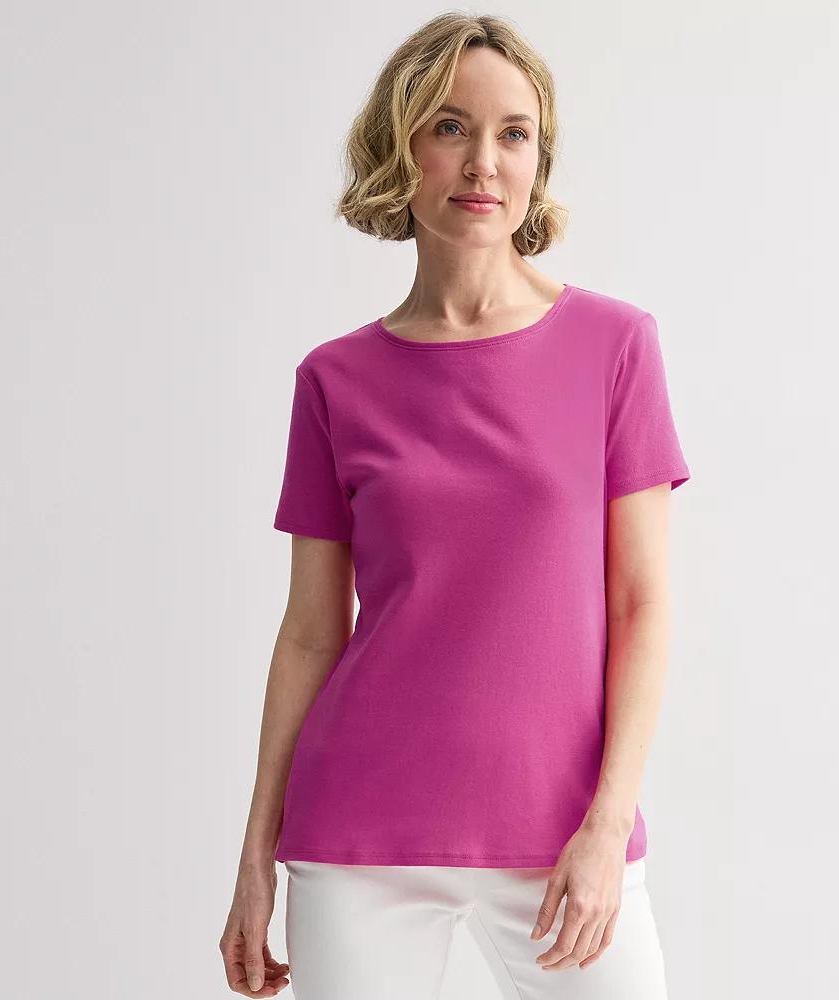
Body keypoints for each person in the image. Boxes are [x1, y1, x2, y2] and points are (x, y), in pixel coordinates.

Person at [219, 12, 691, 1000]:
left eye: (513, 133)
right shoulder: (334, 380)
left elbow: (642, 603)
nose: (483, 162)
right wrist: (256, 856)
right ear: (400, 150)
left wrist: (608, 825)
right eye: (449, 127)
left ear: (538, 159)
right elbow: (310, 632)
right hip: (360, 834)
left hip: (565, 834)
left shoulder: (614, 346)